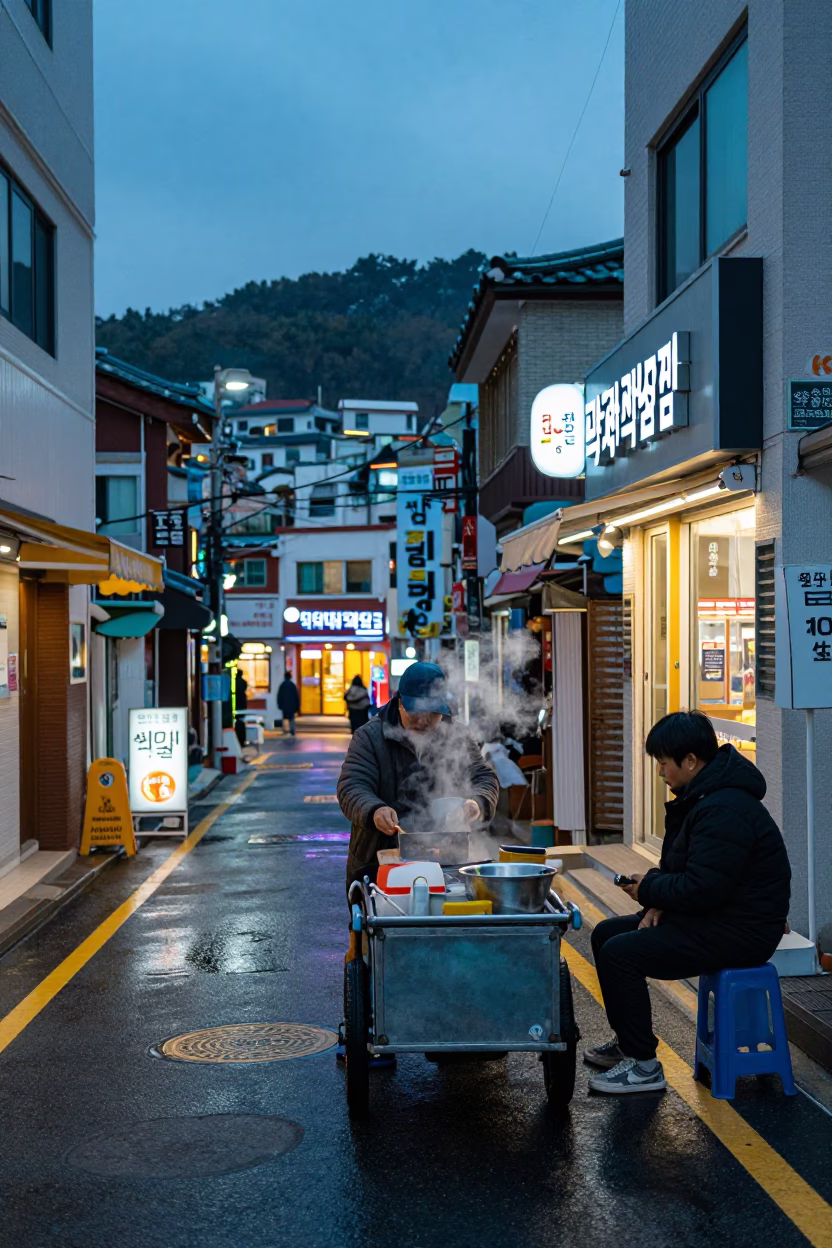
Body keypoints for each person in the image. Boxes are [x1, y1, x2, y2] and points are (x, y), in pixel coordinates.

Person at [585, 710, 791, 1095]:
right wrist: (658, 898)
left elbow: (703, 888)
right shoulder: (702, 797)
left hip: (740, 930)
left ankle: (644, 1066)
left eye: (664, 764)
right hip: (718, 916)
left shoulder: (723, 808)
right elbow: (690, 874)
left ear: (691, 761)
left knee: (621, 954)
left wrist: (650, 890)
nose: (661, 773)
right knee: (606, 934)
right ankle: (629, 1043)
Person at [337, 661, 499, 894]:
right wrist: (374, 810)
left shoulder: (457, 735)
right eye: (416, 713)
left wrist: (478, 802)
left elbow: (483, 776)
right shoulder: (369, 737)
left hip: (446, 857)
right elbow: (352, 785)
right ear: (399, 702)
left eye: (432, 713)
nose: (423, 721)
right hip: (380, 859)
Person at [277, 670, 300, 736]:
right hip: (292, 705)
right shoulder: (293, 685)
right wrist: (297, 706)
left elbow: (279, 696)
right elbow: (296, 696)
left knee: (285, 717)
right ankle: (292, 730)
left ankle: (285, 730)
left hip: (284, 705)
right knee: (291, 718)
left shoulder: (282, 685)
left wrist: (279, 705)